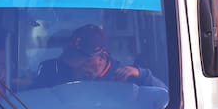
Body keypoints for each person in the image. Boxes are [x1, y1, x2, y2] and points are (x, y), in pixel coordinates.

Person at [33, 24, 164, 88]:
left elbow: (166, 98)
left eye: (84, 62)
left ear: (102, 58)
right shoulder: (53, 70)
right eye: (71, 58)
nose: (74, 67)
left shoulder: (123, 76)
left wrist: (142, 75)